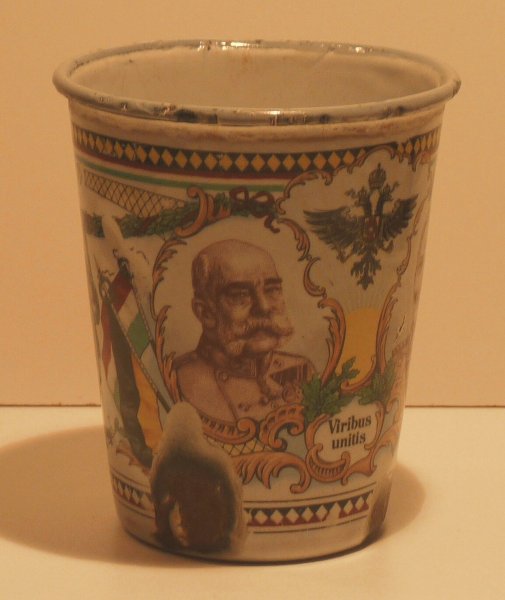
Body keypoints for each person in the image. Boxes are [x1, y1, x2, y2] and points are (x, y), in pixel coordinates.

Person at [173, 239, 314, 423]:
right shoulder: (176, 381)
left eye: (272, 290)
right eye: (240, 295)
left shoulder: (303, 371)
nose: (263, 307)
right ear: (205, 313)